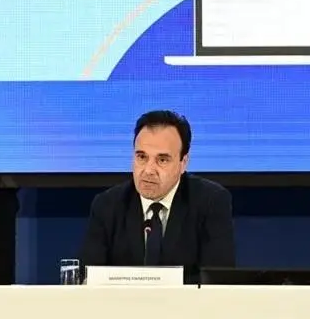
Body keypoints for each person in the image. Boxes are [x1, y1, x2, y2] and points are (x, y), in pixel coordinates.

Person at [79, 110, 236, 281]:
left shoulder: (211, 202)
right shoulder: (107, 205)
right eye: (142, 157)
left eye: (162, 160)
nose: (148, 170)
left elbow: (217, 281)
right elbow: (88, 279)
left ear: (183, 163)